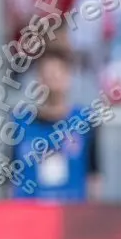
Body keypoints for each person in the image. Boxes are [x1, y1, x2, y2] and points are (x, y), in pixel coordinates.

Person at [13, 50, 102, 201]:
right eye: (47, 76)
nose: (52, 82)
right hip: (29, 212)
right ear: (38, 80)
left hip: (71, 213)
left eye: (57, 74)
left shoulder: (84, 121)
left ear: (68, 78)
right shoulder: (20, 123)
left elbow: (94, 175)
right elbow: (10, 177)